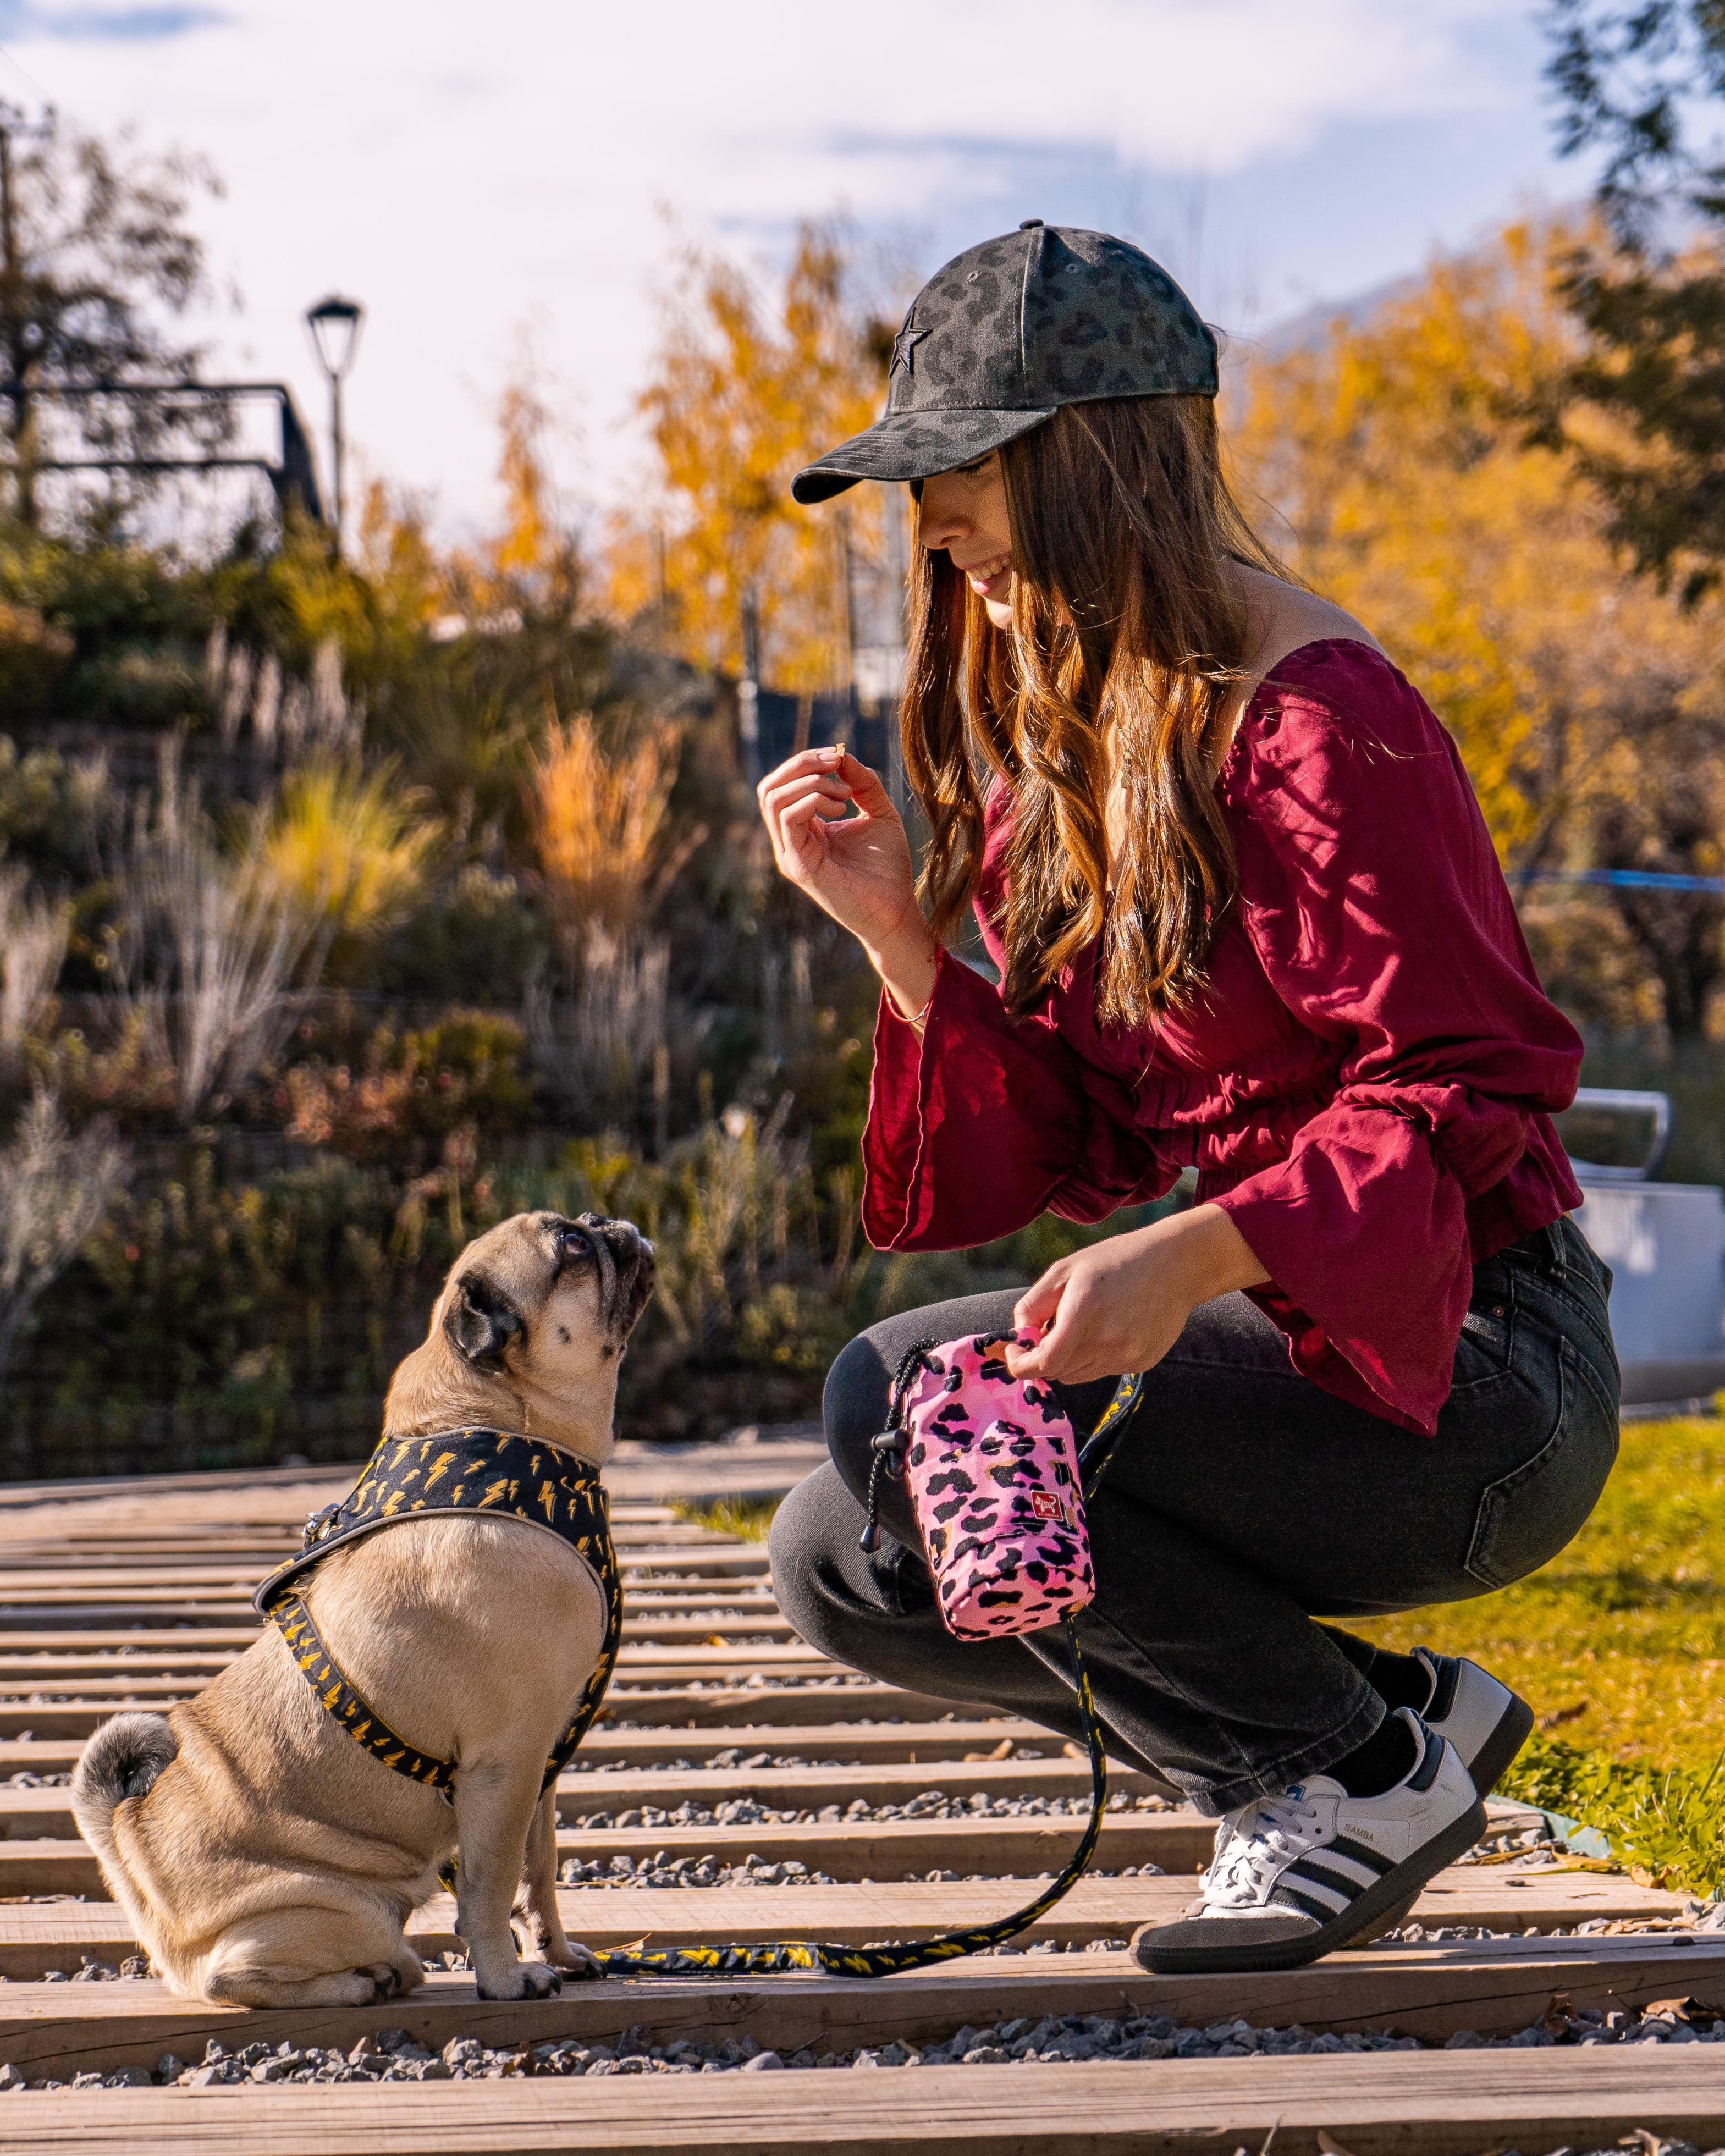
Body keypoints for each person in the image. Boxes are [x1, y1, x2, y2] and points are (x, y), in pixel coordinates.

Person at [758, 220, 1619, 1975]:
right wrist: (903, 941)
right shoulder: (1072, 758)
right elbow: (1069, 1139)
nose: (927, 528)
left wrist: (1197, 1257)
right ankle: (1379, 1726)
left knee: (900, 1401)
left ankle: (1340, 1773)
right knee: (844, 1549)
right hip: (1304, 1350)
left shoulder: (1317, 721)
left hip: (1470, 1374)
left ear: (1089, 458)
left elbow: (1462, 1090)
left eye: (958, 475)